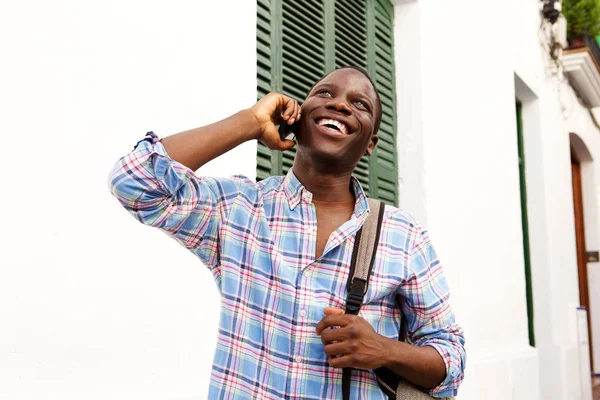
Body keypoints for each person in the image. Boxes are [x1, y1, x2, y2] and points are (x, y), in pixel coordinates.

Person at [108, 67, 466, 399]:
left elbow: (451, 361)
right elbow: (133, 182)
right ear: (296, 118)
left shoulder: (404, 236)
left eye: (360, 104)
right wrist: (249, 122)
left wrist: (385, 350)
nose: (340, 103)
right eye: (325, 93)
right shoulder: (237, 208)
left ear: (371, 143)